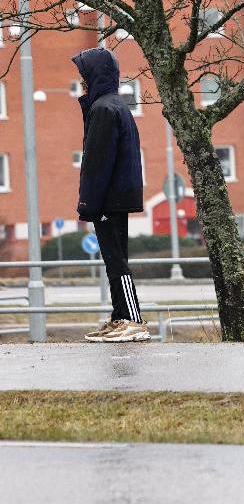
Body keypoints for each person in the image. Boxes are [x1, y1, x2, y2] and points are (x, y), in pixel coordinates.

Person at [73, 48, 149, 343]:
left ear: (95, 76)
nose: (81, 82)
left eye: (84, 76)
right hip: (116, 195)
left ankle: (133, 320)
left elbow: (96, 163)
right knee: (114, 259)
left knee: (116, 260)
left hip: (108, 197)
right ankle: (121, 317)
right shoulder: (113, 105)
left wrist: (88, 203)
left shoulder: (104, 109)